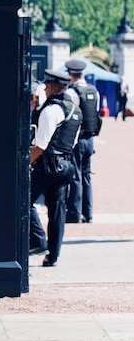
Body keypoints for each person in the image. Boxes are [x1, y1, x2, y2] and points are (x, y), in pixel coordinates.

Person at [29, 69, 82, 267]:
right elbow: (72, 142)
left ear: (55, 88)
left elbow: (41, 145)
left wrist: (27, 163)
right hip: (67, 165)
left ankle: (37, 240)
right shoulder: (75, 110)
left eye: (48, 86)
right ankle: (53, 255)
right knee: (57, 209)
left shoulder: (51, 110)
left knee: (24, 200)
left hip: (48, 166)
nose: (45, 88)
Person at [65, 59, 100, 224]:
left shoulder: (73, 93)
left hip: (78, 139)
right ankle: (89, 212)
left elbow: (71, 116)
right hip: (90, 138)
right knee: (86, 176)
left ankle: (74, 213)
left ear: (70, 74)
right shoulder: (94, 90)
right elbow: (97, 115)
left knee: (76, 176)